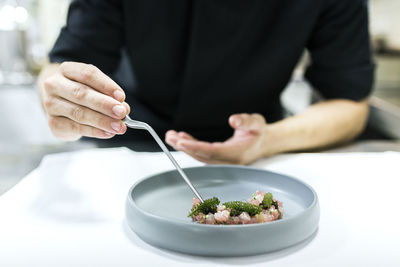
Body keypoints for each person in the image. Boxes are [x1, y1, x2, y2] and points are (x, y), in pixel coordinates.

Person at [38, 0, 374, 165]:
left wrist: (269, 140)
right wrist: (61, 96)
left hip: (261, 150)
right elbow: (63, 66)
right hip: (131, 141)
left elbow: (350, 102)